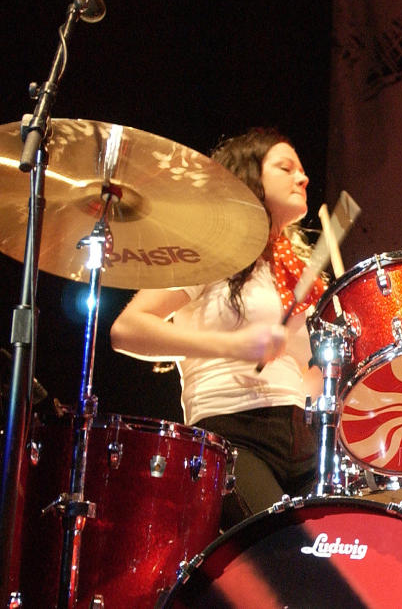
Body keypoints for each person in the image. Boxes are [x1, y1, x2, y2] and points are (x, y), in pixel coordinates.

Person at [110, 127, 325, 529]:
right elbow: (127, 329)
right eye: (286, 167)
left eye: (302, 170)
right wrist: (233, 345)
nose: (303, 177)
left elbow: (303, 373)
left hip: (299, 441)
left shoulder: (289, 273)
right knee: (284, 548)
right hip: (233, 433)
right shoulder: (208, 252)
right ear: (250, 178)